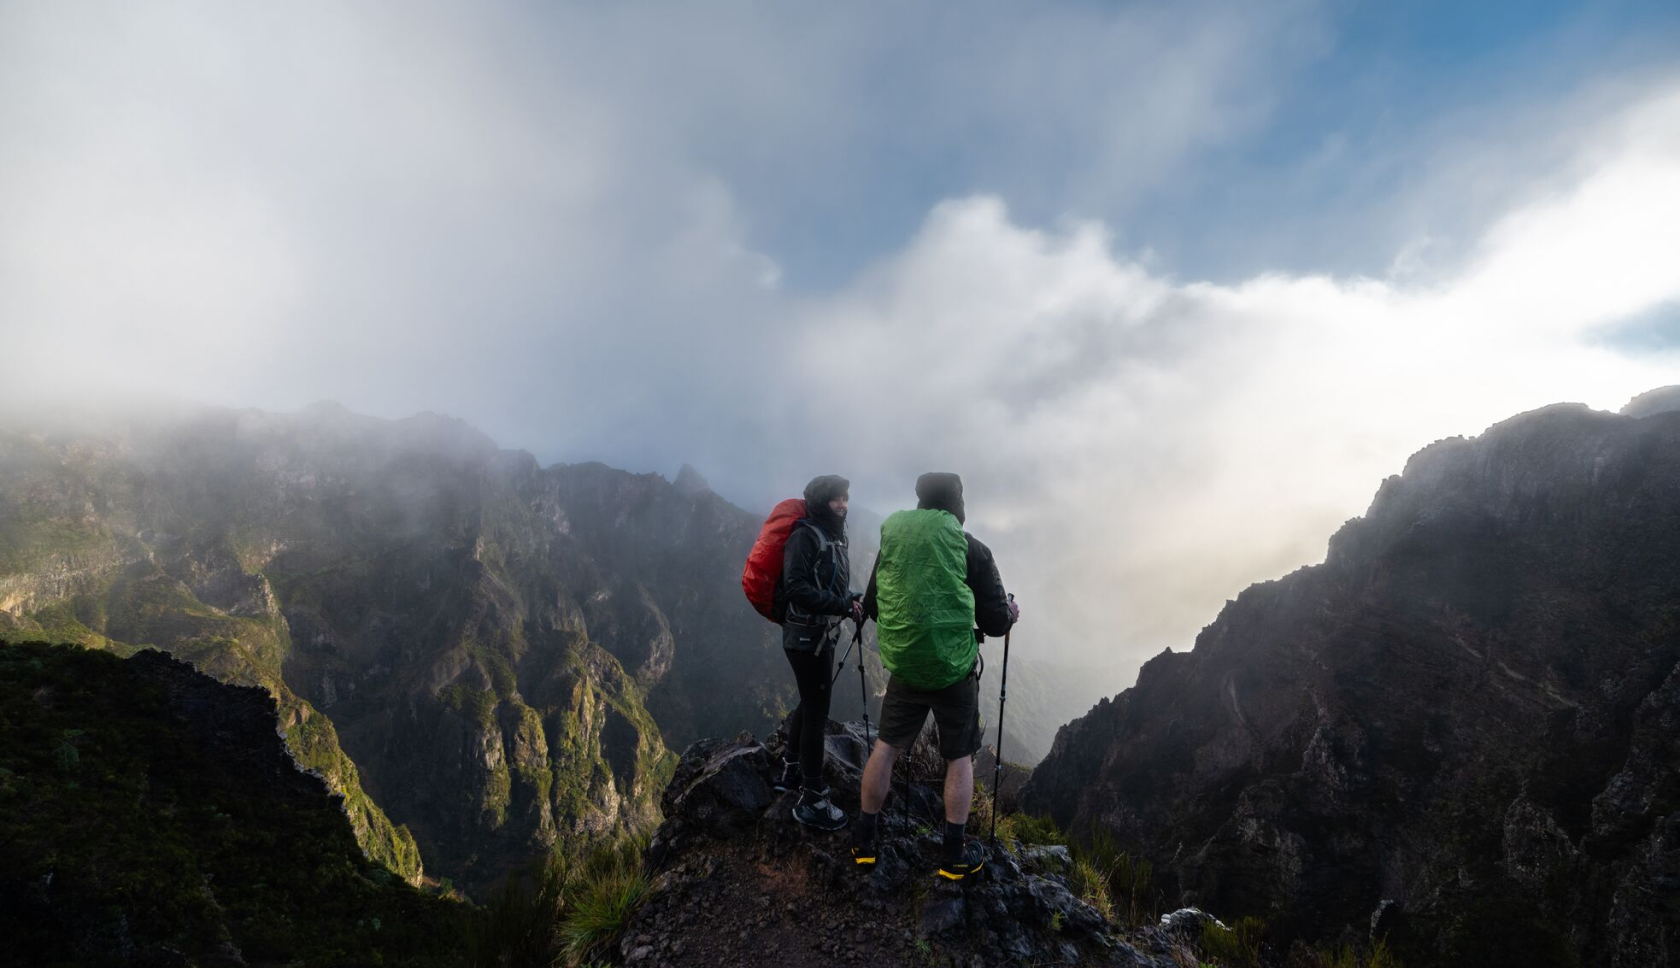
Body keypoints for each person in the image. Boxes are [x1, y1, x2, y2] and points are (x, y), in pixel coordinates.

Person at [851, 472, 1018, 879]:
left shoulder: (895, 539)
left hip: (906, 667)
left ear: (920, 502)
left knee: (886, 748)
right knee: (958, 758)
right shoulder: (970, 548)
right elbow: (996, 622)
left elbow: (872, 603)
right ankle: (952, 857)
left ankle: (865, 843)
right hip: (954, 672)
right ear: (957, 505)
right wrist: (1011, 611)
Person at [775, 474, 865, 831]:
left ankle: (790, 770)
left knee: (809, 700)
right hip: (805, 638)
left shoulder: (832, 534)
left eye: (845, 497)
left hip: (818, 635)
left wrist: (848, 601)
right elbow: (796, 587)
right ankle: (812, 798)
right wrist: (842, 605)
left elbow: (825, 584)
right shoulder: (805, 535)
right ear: (819, 502)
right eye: (835, 499)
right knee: (817, 709)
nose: (842, 504)